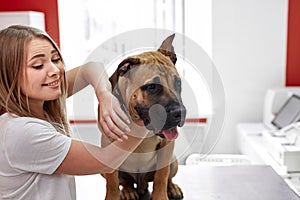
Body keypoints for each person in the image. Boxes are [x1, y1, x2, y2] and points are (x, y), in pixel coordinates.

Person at [0, 25, 147, 199]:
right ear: (9, 74)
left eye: (55, 59)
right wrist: (149, 120)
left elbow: (89, 69)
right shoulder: (22, 131)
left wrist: (104, 94)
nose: (55, 71)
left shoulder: (42, 102)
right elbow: (107, 161)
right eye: (38, 65)